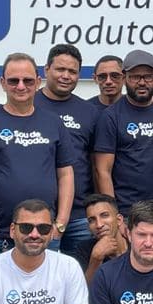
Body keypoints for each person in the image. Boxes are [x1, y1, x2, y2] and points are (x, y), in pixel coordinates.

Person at [0, 52, 71, 264]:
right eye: (14, 81)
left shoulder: (53, 123)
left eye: (28, 81)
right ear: (2, 83)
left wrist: (60, 223)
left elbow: (66, 174)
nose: (21, 86)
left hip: (43, 235)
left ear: (38, 82)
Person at [92, 49, 153, 226]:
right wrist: (113, 216)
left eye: (147, 77)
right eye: (135, 77)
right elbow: (103, 170)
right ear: (125, 77)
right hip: (127, 212)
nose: (142, 82)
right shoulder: (110, 116)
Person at [37, 43, 104, 262]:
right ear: (47, 69)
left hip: (81, 216)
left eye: (72, 71)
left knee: (82, 277)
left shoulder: (90, 112)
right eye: (60, 69)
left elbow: (97, 164)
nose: (66, 76)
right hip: (38, 215)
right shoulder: (29, 104)